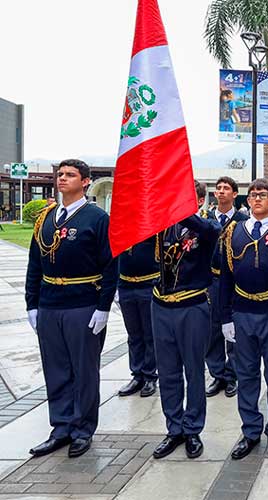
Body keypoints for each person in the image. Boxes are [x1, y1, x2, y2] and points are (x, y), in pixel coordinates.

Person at [25, 159, 117, 458]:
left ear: (86, 181)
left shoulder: (97, 218)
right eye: (60, 174)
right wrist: (32, 303)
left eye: (70, 175)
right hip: (50, 304)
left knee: (84, 371)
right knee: (56, 370)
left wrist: (103, 307)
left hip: (83, 304)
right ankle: (61, 427)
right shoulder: (46, 219)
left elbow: (110, 265)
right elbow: (35, 263)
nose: (62, 179)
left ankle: (82, 429)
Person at [219, 179, 268, 460]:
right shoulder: (232, 233)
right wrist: (225, 317)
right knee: (247, 376)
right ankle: (251, 431)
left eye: (262, 195)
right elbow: (225, 277)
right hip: (242, 314)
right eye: (252, 196)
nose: (257, 200)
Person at [151, 181, 221, 460]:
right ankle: (174, 428)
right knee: (167, 372)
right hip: (160, 306)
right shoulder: (162, 226)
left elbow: (208, 232)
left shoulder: (207, 226)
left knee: (193, 370)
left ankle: (192, 429)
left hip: (191, 306)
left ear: (200, 200)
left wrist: (179, 208)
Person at [206, 177, 247, 399]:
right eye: (218, 188)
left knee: (233, 328)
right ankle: (217, 374)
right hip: (211, 280)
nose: (221, 192)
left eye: (226, 189)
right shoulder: (206, 219)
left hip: (233, 281)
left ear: (234, 194)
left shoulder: (242, 220)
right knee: (212, 329)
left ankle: (232, 375)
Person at [116, 235, 159, 398]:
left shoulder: (150, 221)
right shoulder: (122, 225)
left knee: (149, 334)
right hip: (126, 284)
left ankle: (150, 376)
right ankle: (137, 374)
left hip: (148, 284)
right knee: (133, 334)